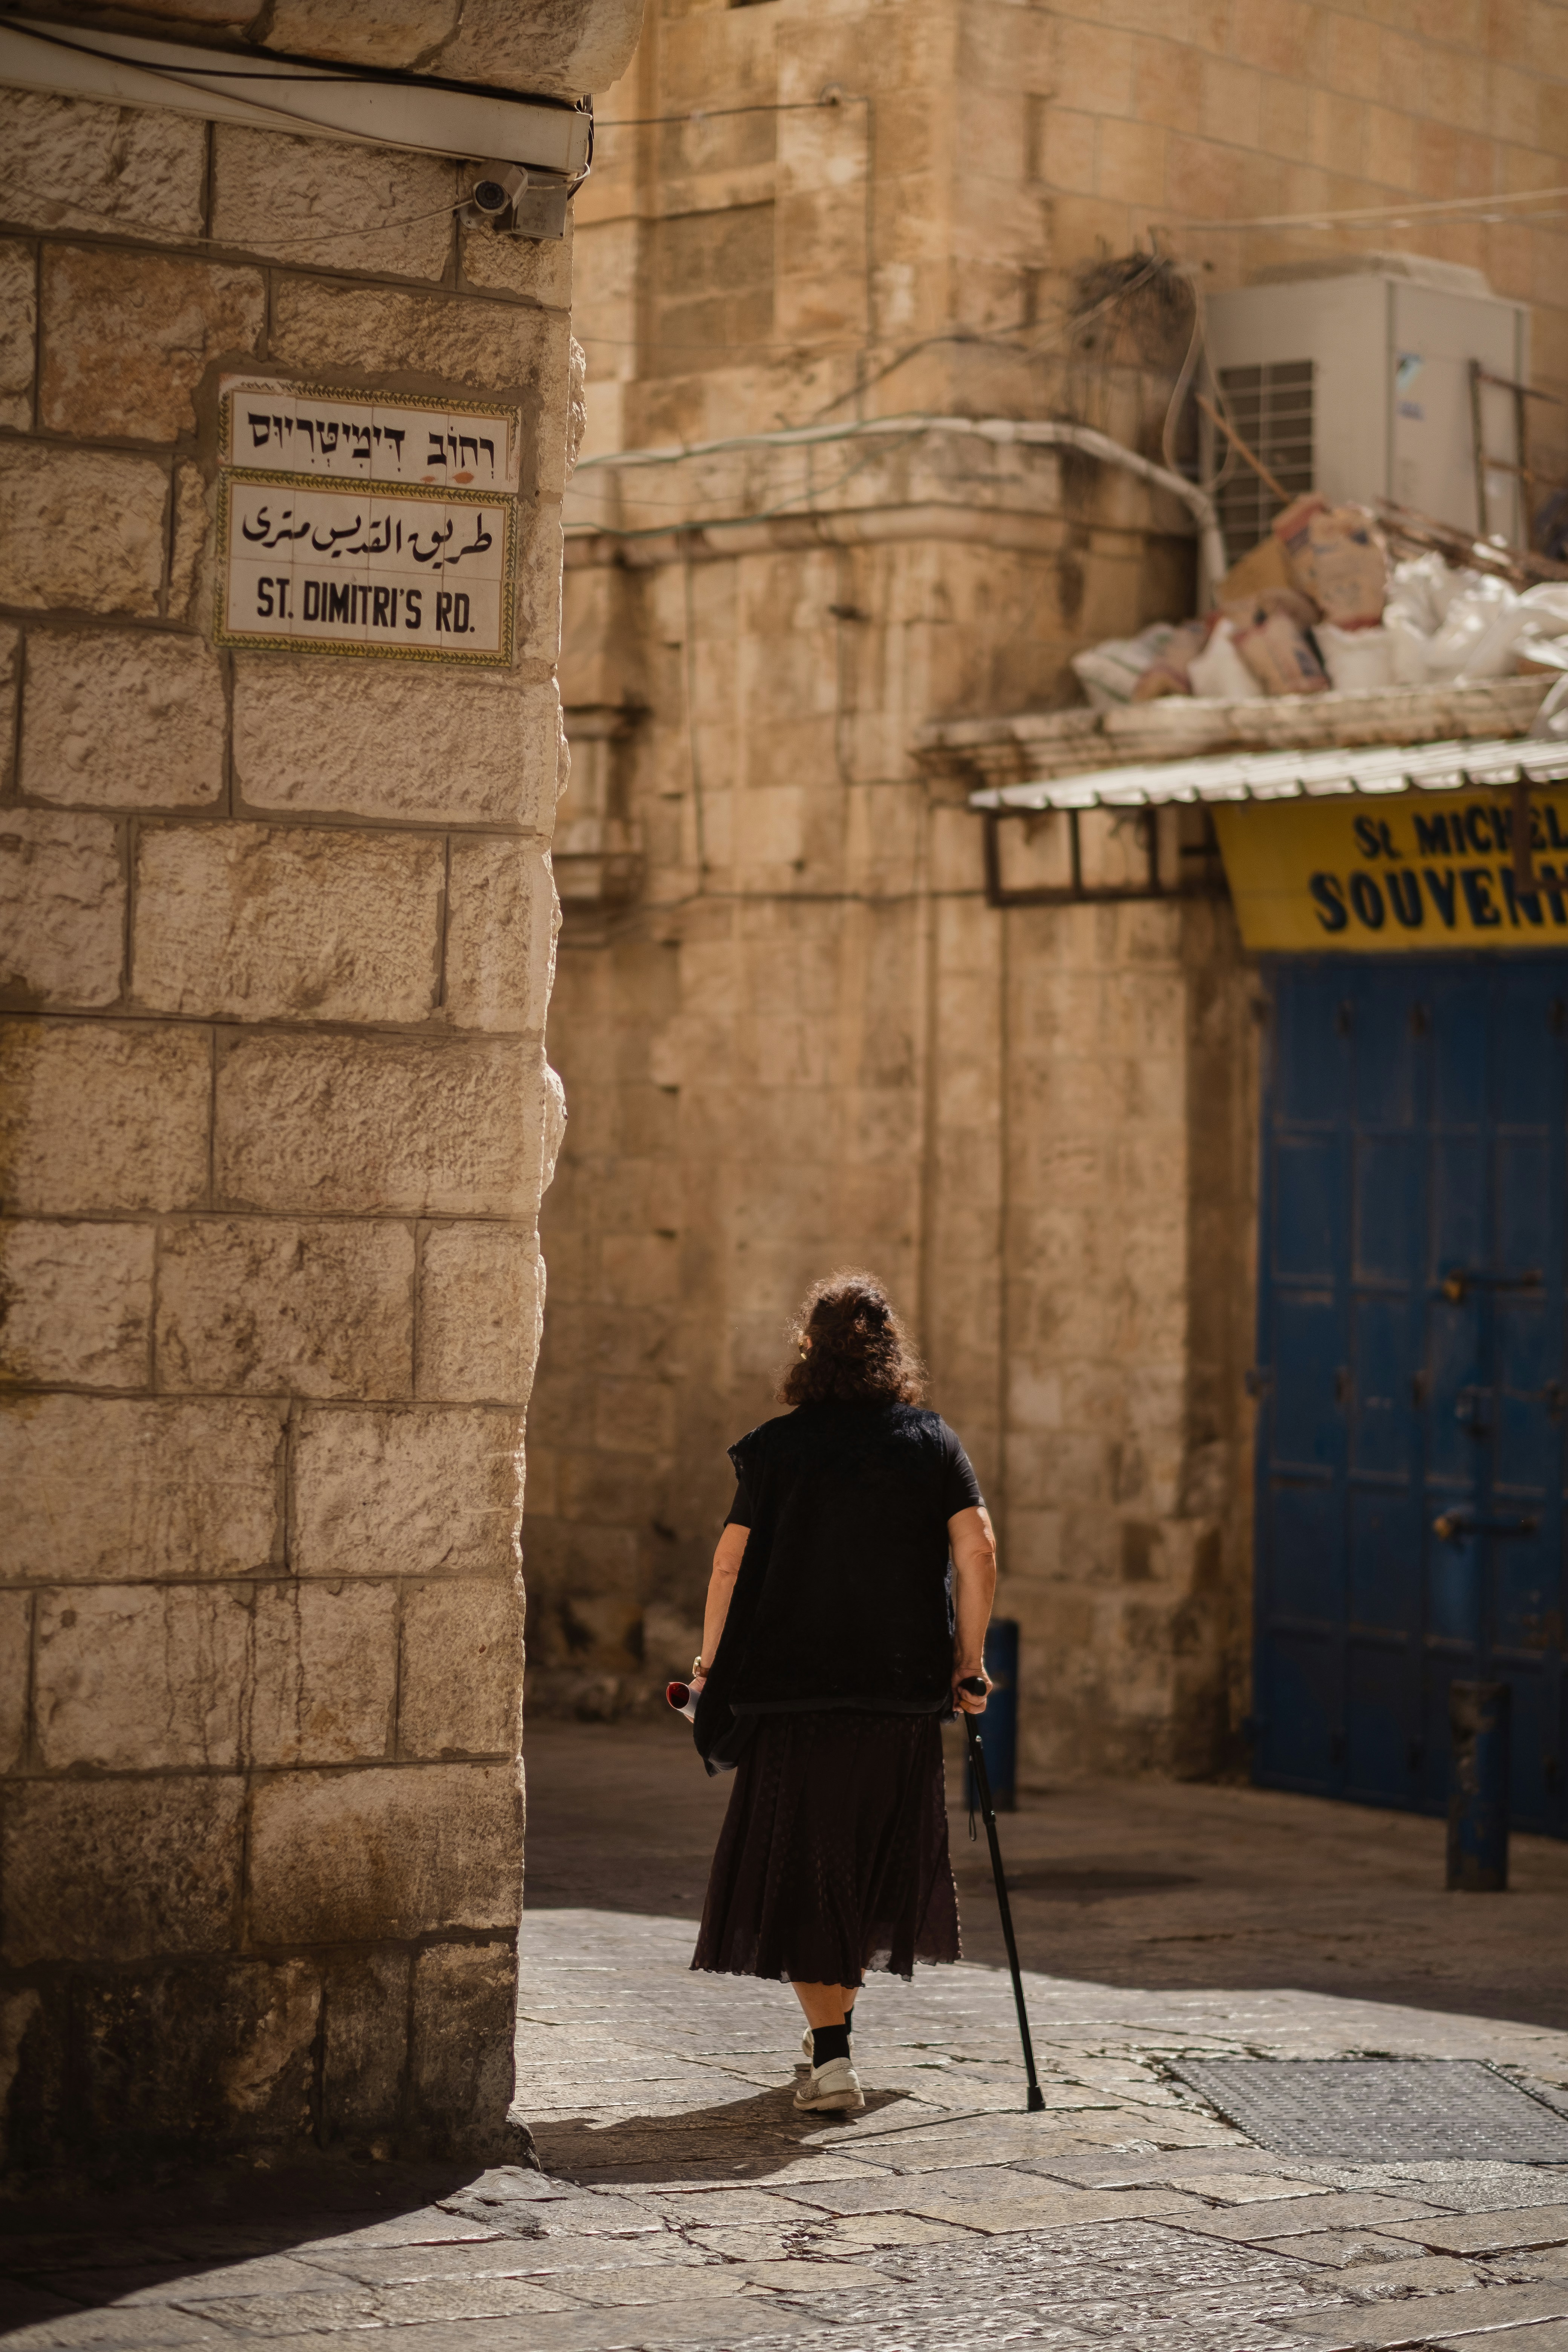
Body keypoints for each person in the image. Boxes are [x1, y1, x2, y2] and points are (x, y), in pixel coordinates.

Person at [688, 1269, 997, 2115]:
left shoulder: (776, 1448)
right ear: (891, 1353)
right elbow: (978, 1552)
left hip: (793, 1695)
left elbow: (728, 1562)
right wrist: (967, 1664)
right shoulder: (931, 1443)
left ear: (807, 1353)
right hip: (898, 1694)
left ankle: (831, 2057)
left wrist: (709, 1668)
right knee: (860, 1863)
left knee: (810, 1868)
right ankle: (828, 2046)